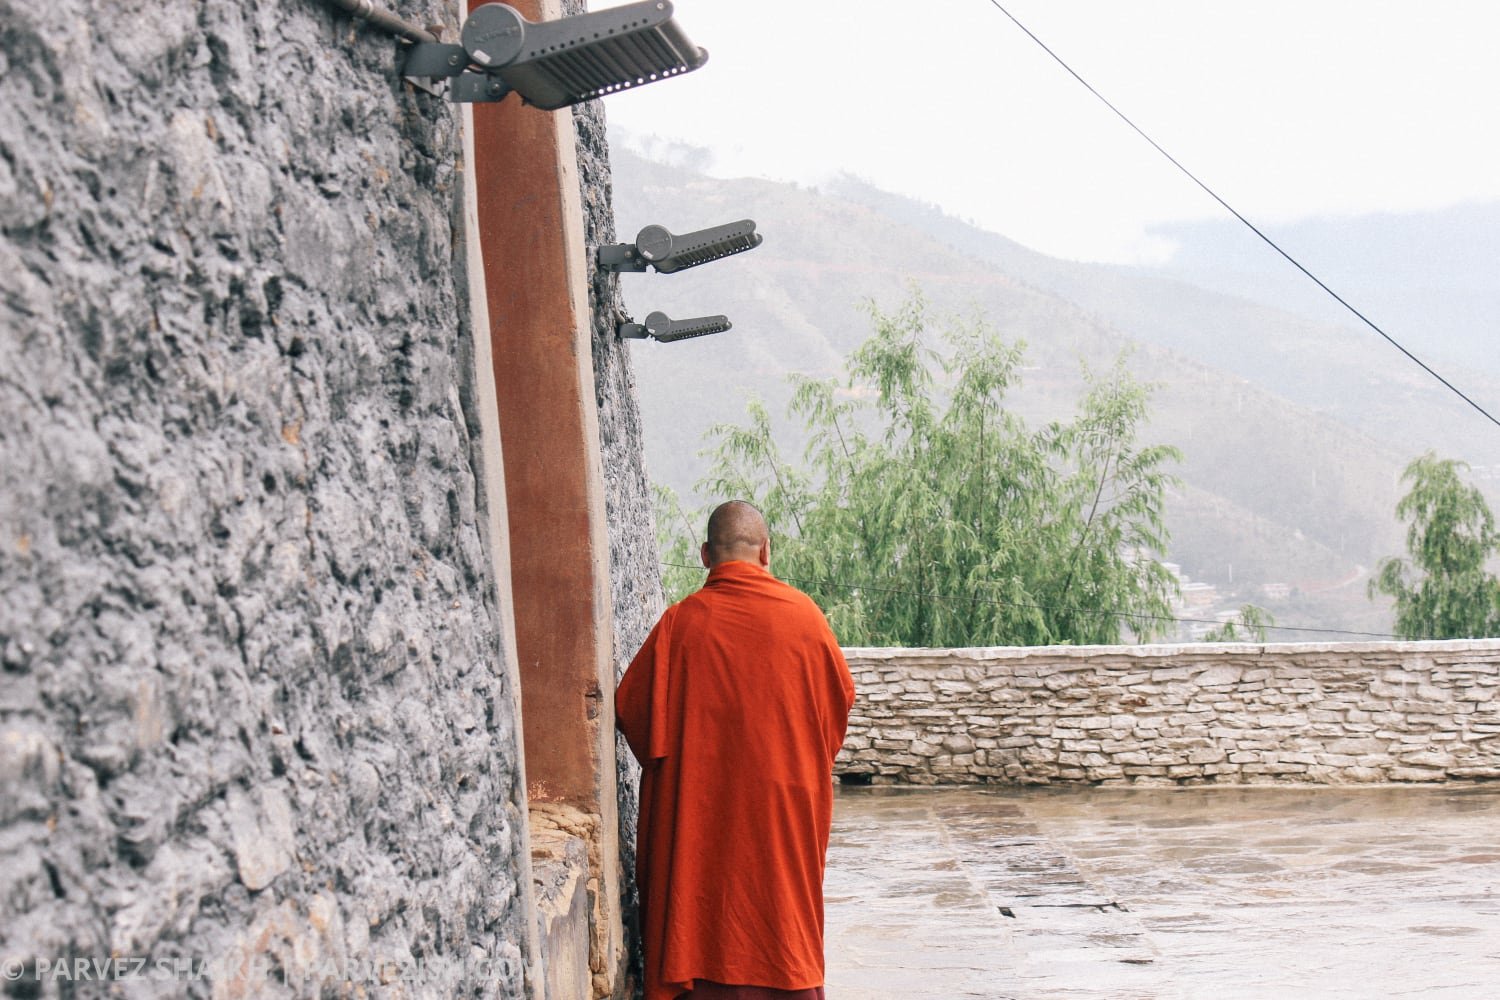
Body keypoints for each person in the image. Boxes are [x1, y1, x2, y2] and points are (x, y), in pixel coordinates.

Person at [616, 500, 856, 1000]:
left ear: (705, 555)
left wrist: (695, 764)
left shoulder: (679, 627)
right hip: (781, 814)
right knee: (780, 918)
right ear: (766, 552)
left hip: (700, 816)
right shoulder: (807, 621)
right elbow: (835, 715)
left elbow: (633, 713)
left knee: (698, 912)